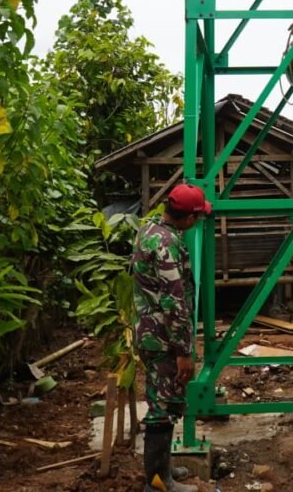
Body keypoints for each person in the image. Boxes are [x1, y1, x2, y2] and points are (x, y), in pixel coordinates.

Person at [131, 183, 210, 492]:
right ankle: (159, 483)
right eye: (198, 217)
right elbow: (173, 302)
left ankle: (162, 470)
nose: (199, 222)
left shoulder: (149, 229)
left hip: (149, 333)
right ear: (188, 218)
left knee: (161, 400)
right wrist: (183, 350)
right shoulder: (168, 244)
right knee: (162, 407)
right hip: (164, 339)